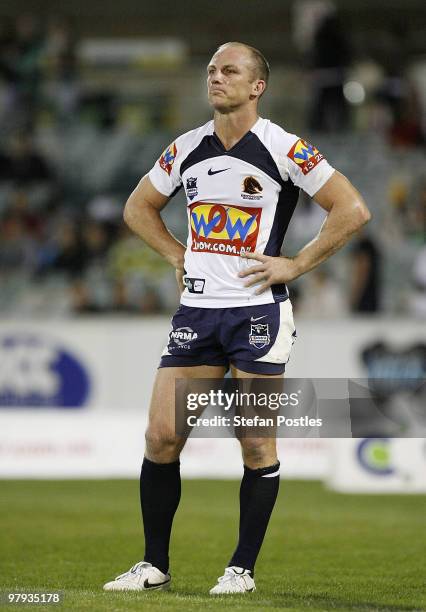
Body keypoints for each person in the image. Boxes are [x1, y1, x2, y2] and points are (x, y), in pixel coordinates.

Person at [103, 41, 371, 595]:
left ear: (257, 87)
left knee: (254, 444)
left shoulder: (284, 148)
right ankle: (154, 565)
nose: (215, 77)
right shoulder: (185, 149)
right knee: (161, 436)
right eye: (211, 70)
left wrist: (295, 263)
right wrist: (177, 253)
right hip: (197, 315)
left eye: (229, 70)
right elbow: (137, 208)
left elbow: (352, 209)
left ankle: (241, 569)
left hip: (256, 318)